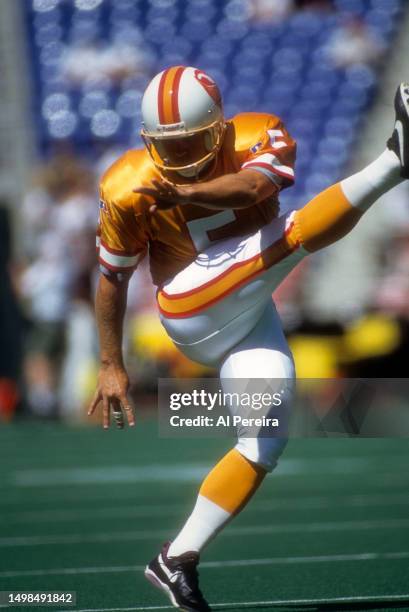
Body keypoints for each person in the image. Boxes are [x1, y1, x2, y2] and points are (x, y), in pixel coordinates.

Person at [88, 66, 409, 611]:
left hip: (247, 307)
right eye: (169, 144)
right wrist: (110, 362)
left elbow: (256, 186)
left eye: (191, 139)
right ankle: (396, 161)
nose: (181, 152)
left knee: (264, 440)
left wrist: (185, 191)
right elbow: (112, 277)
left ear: (217, 128)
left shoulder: (259, 133)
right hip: (188, 307)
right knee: (294, 235)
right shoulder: (125, 182)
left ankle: (177, 558)